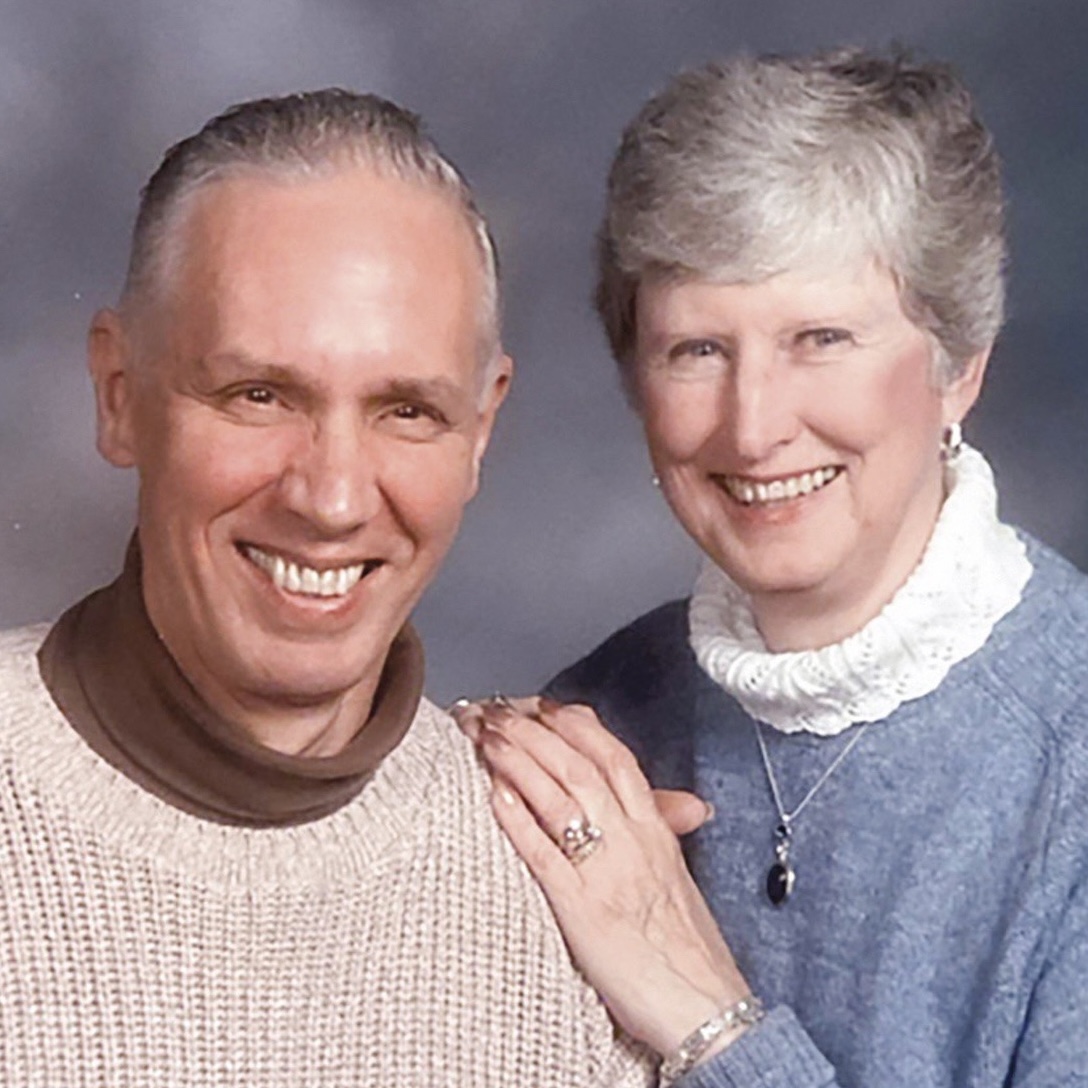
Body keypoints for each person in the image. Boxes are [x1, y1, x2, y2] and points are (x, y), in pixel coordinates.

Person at [457, 49, 1088, 1086]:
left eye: (820, 338)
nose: (752, 429)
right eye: (695, 351)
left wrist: (708, 1020)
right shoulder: (600, 717)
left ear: (959, 365)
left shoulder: (1070, 757)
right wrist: (439, 794)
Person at [0, 89, 655, 1086]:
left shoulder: (580, 884)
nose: (333, 498)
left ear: (480, 429)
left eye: (407, 409)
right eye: (259, 395)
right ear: (119, 394)